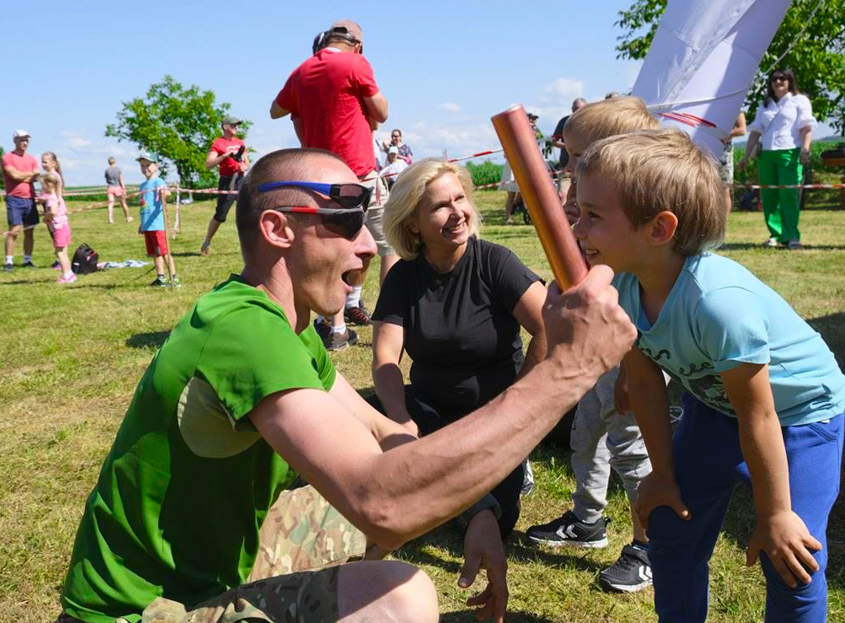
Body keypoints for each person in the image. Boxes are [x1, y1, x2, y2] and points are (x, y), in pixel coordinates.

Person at [55, 147, 637, 623]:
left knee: (354, 504)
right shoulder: (242, 330)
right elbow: (384, 503)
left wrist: (481, 510)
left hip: (211, 567)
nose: (366, 246)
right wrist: (566, 371)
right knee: (401, 599)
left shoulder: (287, 326)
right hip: (142, 610)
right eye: (343, 221)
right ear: (278, 229)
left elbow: (385, 435)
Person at [573, 128, 845, 621]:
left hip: (801, 418)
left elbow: (759, 415)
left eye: (592, 216)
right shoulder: (623, 285)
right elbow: (646, 382)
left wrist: (776, 513)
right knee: (672, 531)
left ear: (658, 229)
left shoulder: (718, 304)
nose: (576, 230)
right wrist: (662, 474)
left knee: (793, 557)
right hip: (715, 407)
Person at [371, 158, 548, 540]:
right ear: (412, 223)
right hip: (428, 412)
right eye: (440, 206)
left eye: (460, 199)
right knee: (356, 416)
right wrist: (400, 420)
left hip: (494, 419)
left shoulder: (495, 262)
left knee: (495, 520)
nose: (457, 213)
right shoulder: (404, 275)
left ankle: (466, 480)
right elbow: (386, 357)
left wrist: (522, 403)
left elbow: (550, 327)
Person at [526, 96, 659, 593]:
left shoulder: (632, 224)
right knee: (586, 436)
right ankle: (588, 522)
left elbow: (643, 310)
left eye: (579, 159)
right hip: (598, 355)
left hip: (632, 357)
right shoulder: (595, 212)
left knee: (632, 450)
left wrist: (630, 370)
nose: (570, 167)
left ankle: (649, 545)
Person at [271, 19, 398, 348]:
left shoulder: (301, 72)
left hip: (319, 178)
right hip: (359, 173)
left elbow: (276, 110)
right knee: (388, 248)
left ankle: (339, 325)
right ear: (357, 44)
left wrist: (306, 133)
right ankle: (389, 321)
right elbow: (382, 113)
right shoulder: (356, 63)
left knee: (336, 248)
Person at [738, 68, 816, 249]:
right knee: (769, 195)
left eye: (782, 78)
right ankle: (775, 234)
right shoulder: (765, 105)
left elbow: (806, 127)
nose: (778, 82)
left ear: (790, 81)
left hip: (790, 152)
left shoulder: (799, 101)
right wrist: (746, 156)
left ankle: (791, 236)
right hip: (766, 154)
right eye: (774, 79)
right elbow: (755, 132)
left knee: (788, 195)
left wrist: (805, 149)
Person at [200, 115, 250, 256]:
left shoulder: (240, 142)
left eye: (237, 125)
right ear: (225, 126)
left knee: (246, 213)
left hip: (240, 180)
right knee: (221, 215)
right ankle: (207, 242)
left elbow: (247, 163)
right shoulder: (218, 144)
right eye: (233, 125)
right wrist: (225, 156)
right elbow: (208, 164)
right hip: (227, 181)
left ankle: (249, 245)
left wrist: (244, 167)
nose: (236, 127)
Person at [136, 152, 179, 288]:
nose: (145, 168)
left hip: (158, 224)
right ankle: (160, 277)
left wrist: (163, 193)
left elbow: (167, 192)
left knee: (164, 252)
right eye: (142, 165)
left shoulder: (158, 181)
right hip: (147, 225)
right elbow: (143, 206)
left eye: (148, 165)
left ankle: (174, 277)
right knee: (155, 253)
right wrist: (141, 223)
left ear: (156, 166)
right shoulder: (142, 186)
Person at [1, 129, 41, 272]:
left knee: (29, 231)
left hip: (29, 199)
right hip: (14, 199)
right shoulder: (7, 157)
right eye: (22, 140)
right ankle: (9, 261)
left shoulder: (31, 158)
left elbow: (36, 175)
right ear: (15, 141)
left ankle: (27, 260)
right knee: (14, 230)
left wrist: (25, 176)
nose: (25, 143)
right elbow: (14, 175)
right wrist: (28, 175)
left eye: (26, 140)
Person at [502, 112, 544, 224]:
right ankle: (508, 216)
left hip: (527, 165)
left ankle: (528, 215)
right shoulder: (513, 132)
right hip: (514, 165)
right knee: (511, 193)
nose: (533, 122)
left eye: (534, 120)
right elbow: (506, 153)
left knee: (527, 193)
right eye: (531, 120)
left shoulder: (536, 133)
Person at [41, 172, 76, 284]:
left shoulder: (51, 198)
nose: (42, 187)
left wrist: (45, 217)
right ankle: (69, 273)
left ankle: (66, 275)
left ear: (49, 185)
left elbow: (53, 211)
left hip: (58, 228)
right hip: (65, 226)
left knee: (59, 253)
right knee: (64, 252)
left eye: (43, 185)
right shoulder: (58, 197)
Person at [552, 98, 587, 206]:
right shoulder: (564, 122)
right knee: (562, 195)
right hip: (567, 166)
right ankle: (561, 222)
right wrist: (569, 147)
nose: (577, 112)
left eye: (580, 109)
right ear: (572, 109)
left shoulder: (591, 123)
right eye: (575, 109)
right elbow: (554, 141)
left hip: (585, 169)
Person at [721, 112, 747, 213]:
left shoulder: (737, 107)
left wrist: (722, 134)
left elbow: (742, 130)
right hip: (705, 149)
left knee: (724, 188)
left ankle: (722, 224)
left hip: (724, 153)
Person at [104, 157, 132, 224]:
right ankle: (127, 217)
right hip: (118, 187)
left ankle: (110, 219)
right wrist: (124, 189)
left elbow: (107, 180)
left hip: (110, 187)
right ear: (115, 161)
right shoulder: (118, 169)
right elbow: (121, 180)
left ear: (108, 162)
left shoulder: (107, 170)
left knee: (110, 204)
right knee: (123, 203)